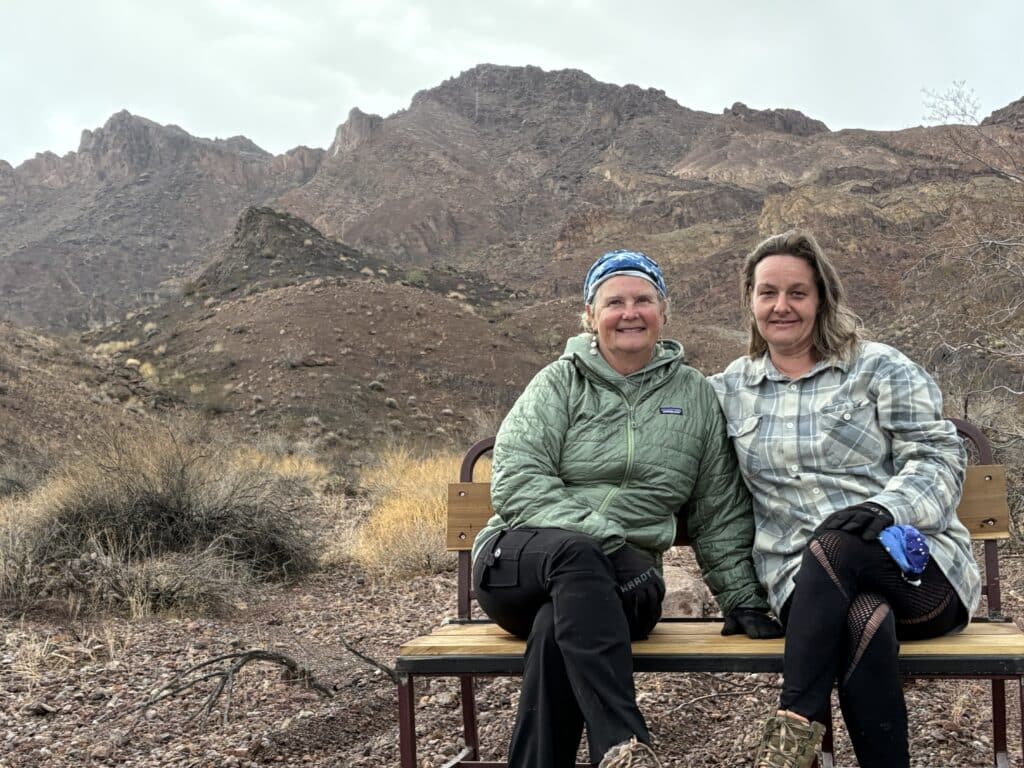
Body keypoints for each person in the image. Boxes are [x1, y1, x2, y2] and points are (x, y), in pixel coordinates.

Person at [472, 248, 780, 768]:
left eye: (643, 299)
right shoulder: (557, 384)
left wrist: (742, 599)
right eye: (614, 301)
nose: (629, 311)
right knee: (575, 559)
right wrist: (604, 541)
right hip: (519, 567)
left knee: (558, 627)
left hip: (626, 591)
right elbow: (518, 482)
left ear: (663, 311)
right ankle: (623, 744)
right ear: (590, 316)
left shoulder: (696, 397)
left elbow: (718, 509)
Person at [709, 230, 981, 768]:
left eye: (797, 293)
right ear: (750, 301)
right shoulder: (727, 389)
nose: (781, 306)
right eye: (767, 293)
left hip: (912, 572)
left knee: (835, 542)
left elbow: (938, 455)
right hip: (798, 585)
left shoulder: (878, 367)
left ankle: (789, 732)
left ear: (822, 299)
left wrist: (889, 508)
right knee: (863, 621)